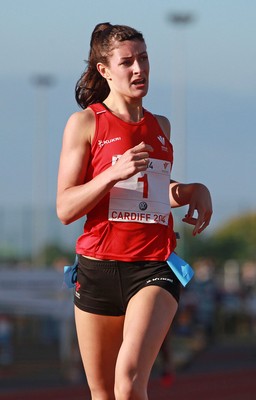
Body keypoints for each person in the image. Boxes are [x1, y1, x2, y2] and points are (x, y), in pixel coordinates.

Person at [57, 22, 212, 400]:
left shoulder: (160, 126)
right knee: (104, 392)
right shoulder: (85, 124)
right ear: (104, 70)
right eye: (127, 62)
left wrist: (192, 190)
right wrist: (111, 174)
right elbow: (65, 208)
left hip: (153, 266)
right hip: (97, 268)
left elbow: (154, 191)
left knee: (128, 383)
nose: (139, 69)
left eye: (143, 58)